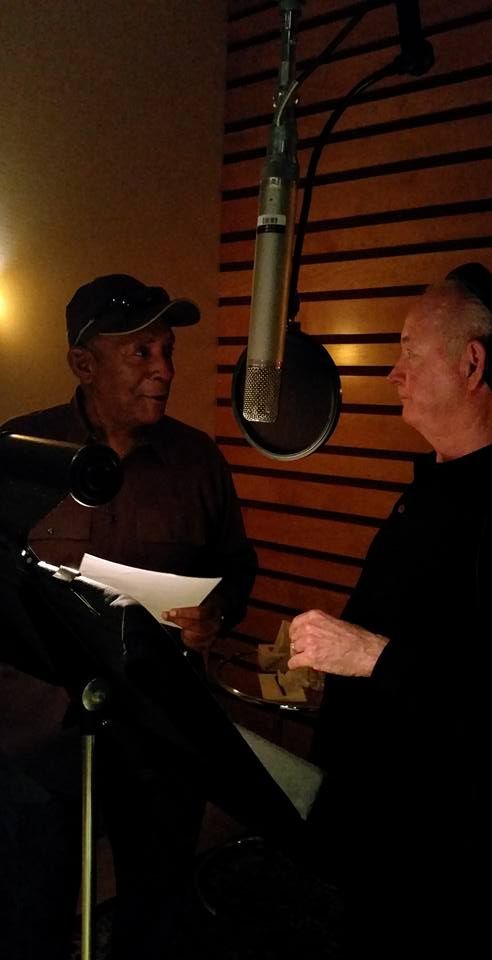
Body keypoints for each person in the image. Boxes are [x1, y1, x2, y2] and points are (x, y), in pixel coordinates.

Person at [0, 273, 257, 959]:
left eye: (167, 350)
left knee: (158, 917)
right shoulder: (18, 452)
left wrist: (218, 611)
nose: (164, 370)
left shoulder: (198, 461)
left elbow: (237, 565)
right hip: (36, 739)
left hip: (160, 734)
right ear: (83, 364)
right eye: (141, 352)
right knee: (30, 916)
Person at [287, 264, 492, 959]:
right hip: (382, 833)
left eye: (409, 352)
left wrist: (368, 656)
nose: (395, 374)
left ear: (474, 364)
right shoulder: (437, 485)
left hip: (446, 856)